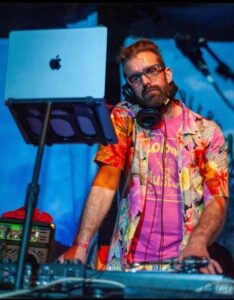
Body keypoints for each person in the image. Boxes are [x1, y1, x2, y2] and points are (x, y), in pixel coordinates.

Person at [58, 38, 229, 274]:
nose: (146, 82)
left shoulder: (206, 131)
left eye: (151, 71)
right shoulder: (124, 118)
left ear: (167, 74)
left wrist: (198, 242)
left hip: (185, 262)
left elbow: (216, 198)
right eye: (135, 78)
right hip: (127, 264)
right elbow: (106, 180)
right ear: (129, 86)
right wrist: (81, 244)